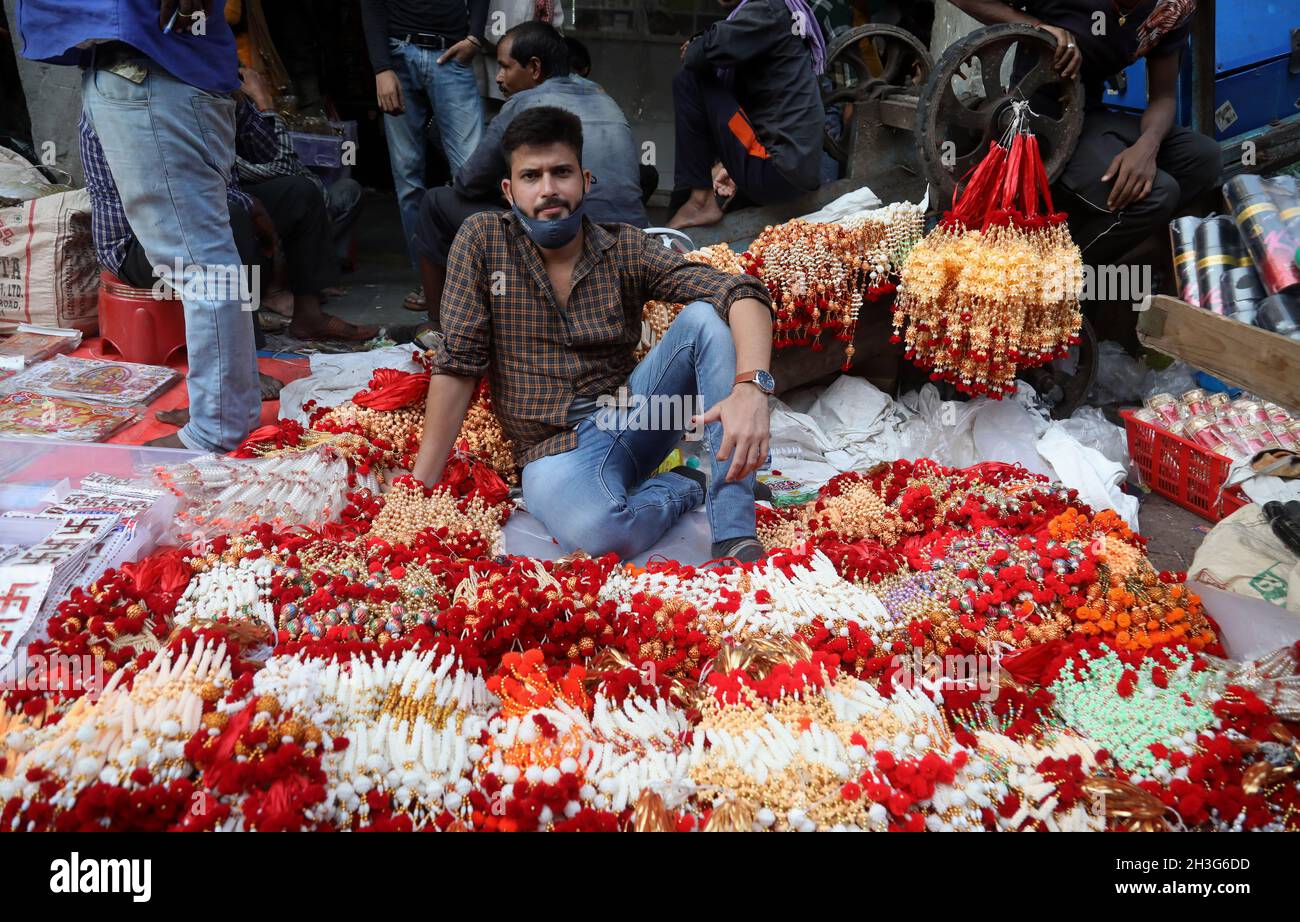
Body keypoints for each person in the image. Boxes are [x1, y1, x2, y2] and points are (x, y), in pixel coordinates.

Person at [411, 106, 775, 563]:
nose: (548, 189)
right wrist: (419, 488)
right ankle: (685, 485)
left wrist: (752, 387)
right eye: (531, 176)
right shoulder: (484, 241)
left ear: (584, 179)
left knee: (707, 317)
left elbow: (741, 289)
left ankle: (734, 531)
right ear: (509, 190)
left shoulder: (623, 246)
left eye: (561, 172)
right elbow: (458, 364)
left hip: (632, 417)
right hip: (550, 452)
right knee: (600, 534)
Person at [17, 0, 261, 453]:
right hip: (146, 68)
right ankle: (230, 411)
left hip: (150, 71)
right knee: (205, 265)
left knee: (201, 268)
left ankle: (219, 428)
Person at [411, 21, 648, 329]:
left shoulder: (521, 104)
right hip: (634, 239)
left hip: (570, 241)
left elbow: (468, 183)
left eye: (505, 67)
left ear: (534, 68)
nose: (498, 77)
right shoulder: (606, 99)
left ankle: (439, 327)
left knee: (434, 203)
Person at [950, 0, 1220, 267]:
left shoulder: (1172, 8)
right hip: (1035, 122)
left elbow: (1164, 97)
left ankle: (1090, 231)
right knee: (1157, 195)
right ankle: (1057, 276)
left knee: (1203, 158)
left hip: (1088, 114)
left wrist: (1147, 147)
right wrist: (1038, 27)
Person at [231, 69, 378, 343]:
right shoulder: (188, 99)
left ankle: (309, 315)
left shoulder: (227, 97)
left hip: (242, 195)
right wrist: (264, 102)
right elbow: (283, 162)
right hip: (215, 203)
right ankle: (251, 326)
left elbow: (275, 155)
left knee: (305, 193)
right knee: (242, 212)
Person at [360, 0, 488, 310]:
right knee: (408, 178)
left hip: (452, 53)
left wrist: (474, 37)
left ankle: (478, 279)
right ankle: (429, 281)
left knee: (473, 175)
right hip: (398, 55)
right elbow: (371, 5)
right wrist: (381, 68)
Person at [667, 0, 826, 229]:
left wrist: (696, 43)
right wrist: (727, 165)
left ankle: (700, 201)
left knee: (688, 78)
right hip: (795, 170)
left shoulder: (767, 9)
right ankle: (708, 189)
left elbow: (696, 55)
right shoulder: (783, 10)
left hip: (777, 170)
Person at [234, 68, 365, 268]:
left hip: (289, 197)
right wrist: (265, 104)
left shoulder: (241, 112)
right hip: (261, 209)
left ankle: (322, 266)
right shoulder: (216, 122)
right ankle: (304, 271)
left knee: (348, 189)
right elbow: (284, 165)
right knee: (303, 193)